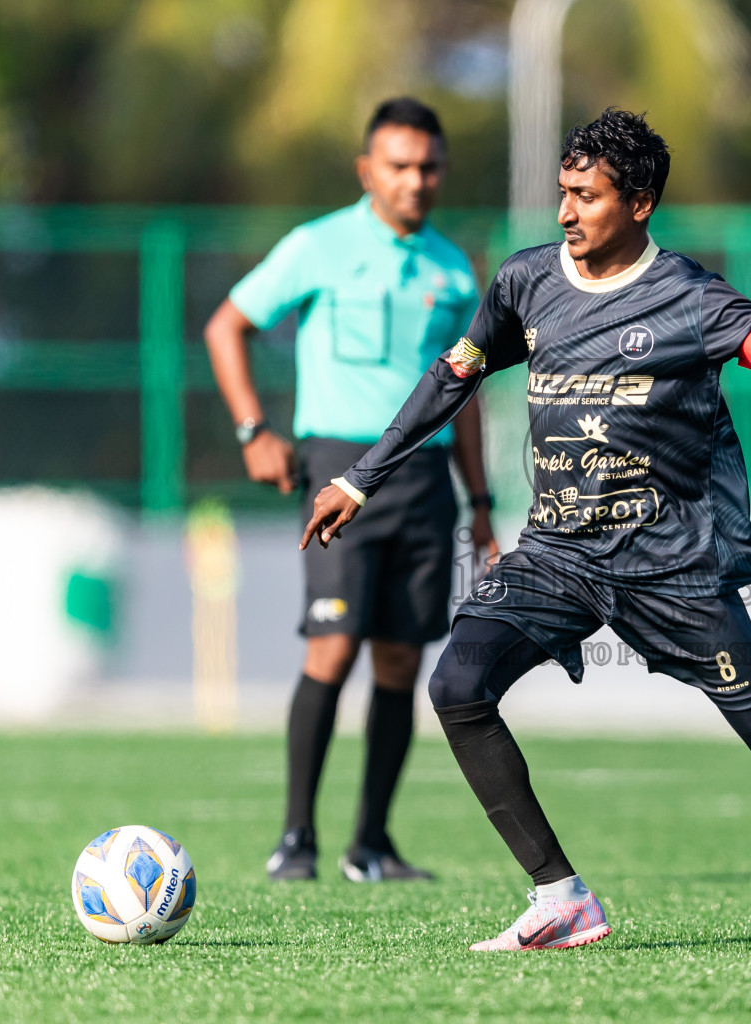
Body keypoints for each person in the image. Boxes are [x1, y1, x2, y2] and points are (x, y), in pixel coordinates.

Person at [301, 108, 751, 952]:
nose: (566, 213)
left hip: (670, 566)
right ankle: (560, 896)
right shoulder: (527, 282)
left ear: (641, 202)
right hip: (556, 553)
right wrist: (358, 478)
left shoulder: (690, 297)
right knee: (457, 689)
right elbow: (452, 377)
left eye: (587, 197)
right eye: (563, 194)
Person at [204, 97, 499, 884]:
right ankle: (295, 837)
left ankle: (371, 844)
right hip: (338, 468)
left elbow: (463, 393)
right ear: (367, 170)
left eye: (429, 166)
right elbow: (225, 325)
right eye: (399, 166)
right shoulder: (318, 246)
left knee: (402, 659)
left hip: (425, 478)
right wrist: (252, 431)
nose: (416, 180)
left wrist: (481, 504)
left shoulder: (450, 267)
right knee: (333, 645)